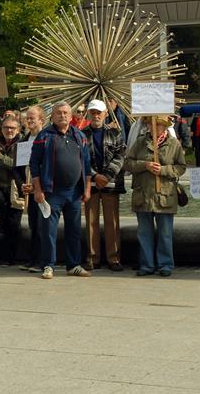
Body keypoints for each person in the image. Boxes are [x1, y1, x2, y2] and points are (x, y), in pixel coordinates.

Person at [30, 101, 91, 280]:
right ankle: (48, 265)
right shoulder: (44, 135)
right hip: (51, 192)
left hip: (74, 192)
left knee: (74, 230)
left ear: (71, 116)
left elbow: (87, 164)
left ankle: (74, 265)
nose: (62, 116)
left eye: (65, 113)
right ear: (53, 116)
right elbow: (34, 164)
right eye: (59, 113)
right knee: (48, 230)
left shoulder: (79, 136)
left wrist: (87, 188)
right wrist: (38, 190)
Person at [124, 116, 186, 277]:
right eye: (151, 125)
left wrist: (164, 170)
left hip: (165, 194)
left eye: (158, 125)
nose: (154, 127)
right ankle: (147, 265)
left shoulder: (173, 143)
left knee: (165, 233)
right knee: (144, 233)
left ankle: (165, 264)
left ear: (164, 127)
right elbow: (128, 163)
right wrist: (145, 165)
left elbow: (181, 167)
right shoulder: (140, 142)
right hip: (143, 193)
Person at [82, 99, 126, 272]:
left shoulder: (115, 133)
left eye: (99, 112)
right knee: (91, 222)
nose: (96, 115)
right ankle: (93, 258)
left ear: (106, 114)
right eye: (92, 112)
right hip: (90, 183)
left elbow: (120, 156)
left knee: (112, 222)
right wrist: (94, 175)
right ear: (88, 114)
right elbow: (80, 158)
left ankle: (113, 258)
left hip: (110, 183)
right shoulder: (81, 134)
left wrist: (107, 176)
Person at [0, 116, 25, 266]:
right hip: (1, 186)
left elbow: (18, 165)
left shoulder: (23, 144)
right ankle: (3, 222)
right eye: (6, 128)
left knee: (13, 224)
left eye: (12, 128)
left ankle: (9, 257)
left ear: (18, 129)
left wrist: (1, 157)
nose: (9, 130)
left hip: (16, 188)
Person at [18, 105, 46, 273]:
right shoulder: (24, 140)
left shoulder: (47, 138)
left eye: (32, 118)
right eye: (27, 118)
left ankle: (43, 260)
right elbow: (19, 166)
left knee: (43, 226)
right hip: (30, 188)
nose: (28, 121)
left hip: (43, 188)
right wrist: (23, 183)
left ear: (41, 120)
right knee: (33, 225)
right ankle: (33, 258)